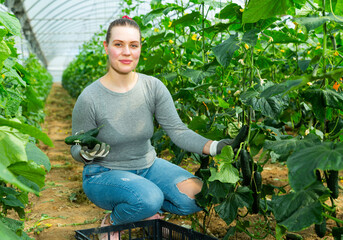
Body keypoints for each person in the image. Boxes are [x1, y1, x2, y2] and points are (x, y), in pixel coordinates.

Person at [70, 16, 235, 240]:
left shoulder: (152, 87)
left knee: (199, 195)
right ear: (106, 47)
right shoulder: (90, 97)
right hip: (104, 174)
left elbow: (177, 130)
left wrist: (216, 146)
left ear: (140, 48)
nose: (126, 52)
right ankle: (112, 222)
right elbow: (75, 147)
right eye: (119, 44)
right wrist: (85, 153)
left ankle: (145, 215)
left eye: (133, 45)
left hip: (147, 167)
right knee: (149, 198)